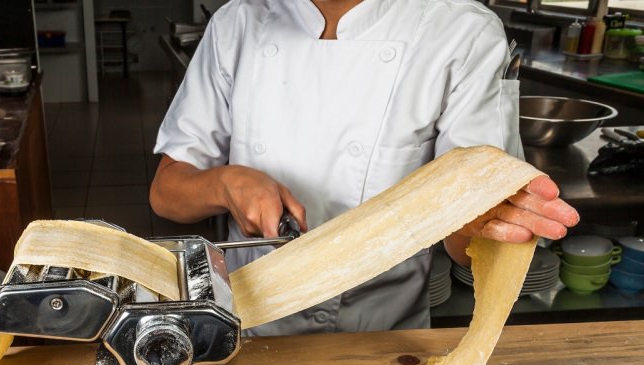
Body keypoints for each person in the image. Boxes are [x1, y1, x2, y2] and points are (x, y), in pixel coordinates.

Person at [150, 0, 579, 335]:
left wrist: (477, 226)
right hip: (250, 330)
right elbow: (167, 193)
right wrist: (225, 183)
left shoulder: (461, 32)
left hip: (383, 338)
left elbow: (466, 236)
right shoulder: (237, 23)